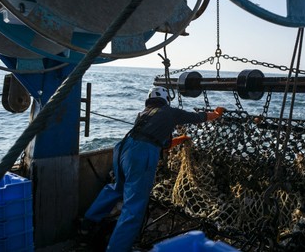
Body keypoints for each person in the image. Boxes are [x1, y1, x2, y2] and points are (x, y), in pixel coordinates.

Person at [80, 86, 225, 251]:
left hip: (122, 149)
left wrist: (182, 138)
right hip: (141, 154)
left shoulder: (143, 114)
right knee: (134, 207)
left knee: (117, 188)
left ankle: (88, 223)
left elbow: (164, 144)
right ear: (166, 99)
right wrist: (217, 113)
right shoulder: (169, 112)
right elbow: (198, 117)